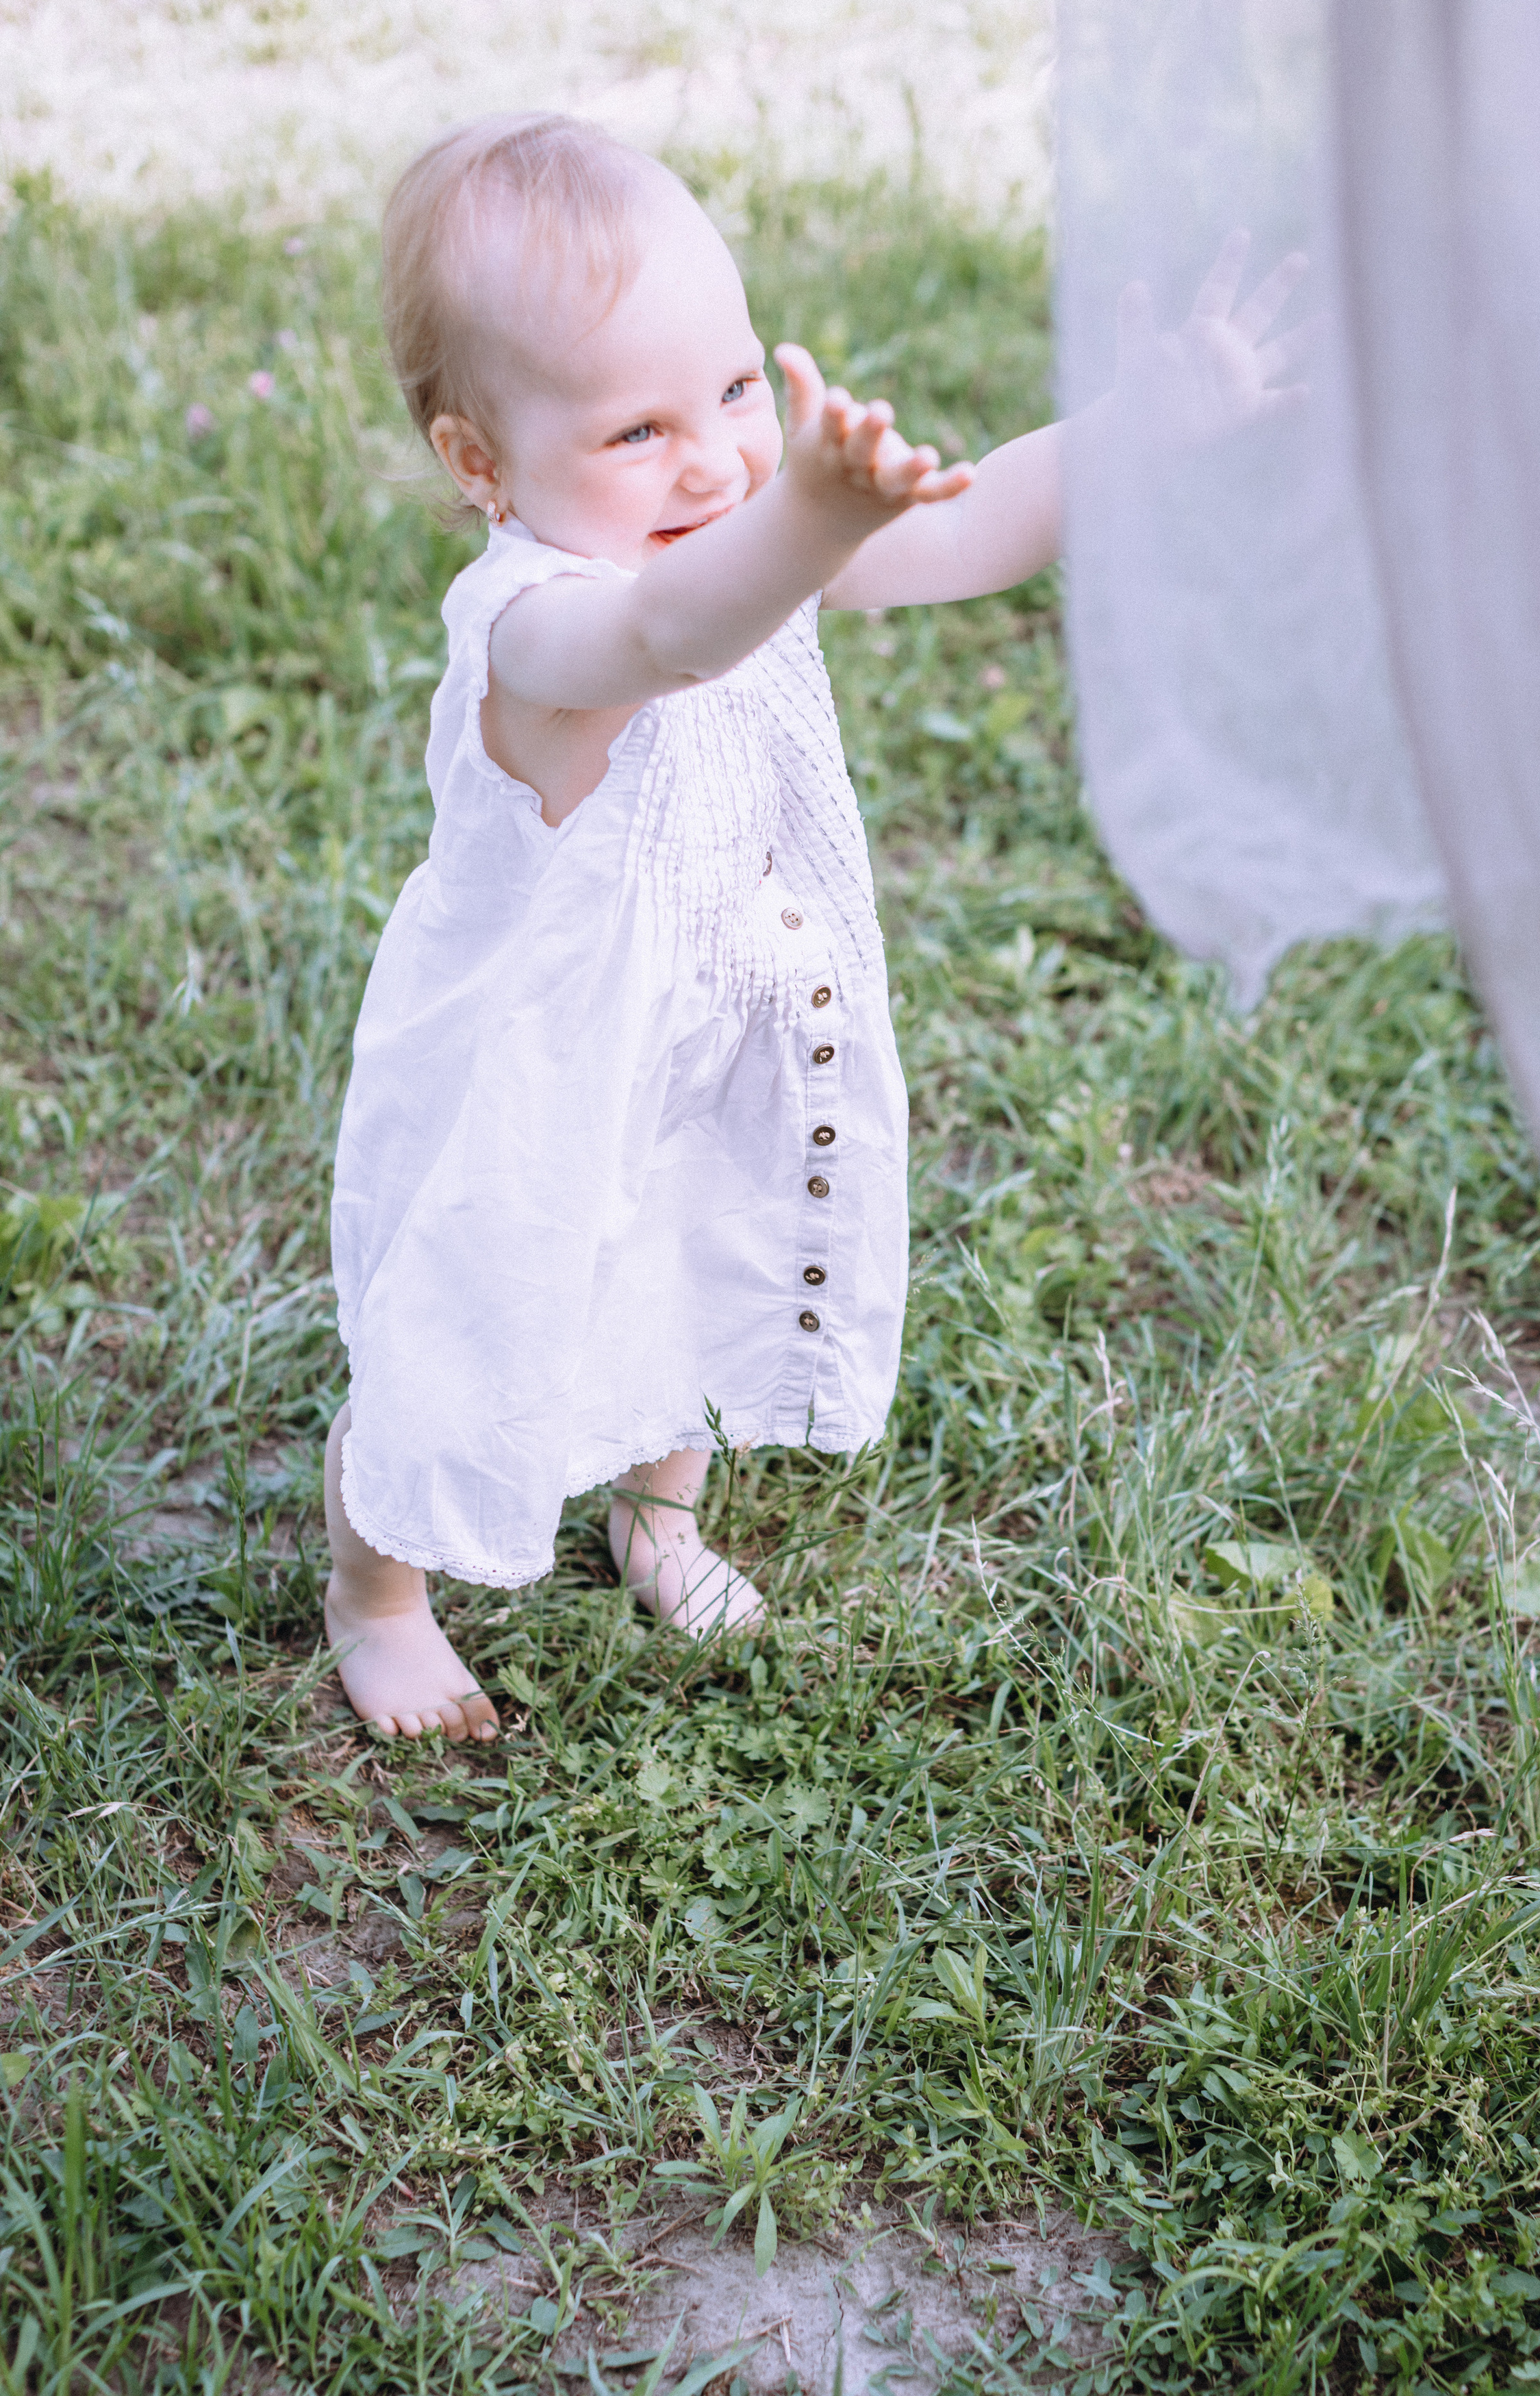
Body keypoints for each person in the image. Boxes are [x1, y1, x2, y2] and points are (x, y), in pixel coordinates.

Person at [323, 112, 1305, 1743]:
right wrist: (811, 519)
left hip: (720, 1007)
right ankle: (380, 1596)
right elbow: (675, 634)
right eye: (636, 429)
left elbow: (971, 530)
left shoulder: (745, 535)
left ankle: (660, 1511)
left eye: (728, 391)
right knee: (470, 1313)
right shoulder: (540, 626)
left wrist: (1140, 428)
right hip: (538, 1065)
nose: (711, 458)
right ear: (479, 464)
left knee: (698, 1242)